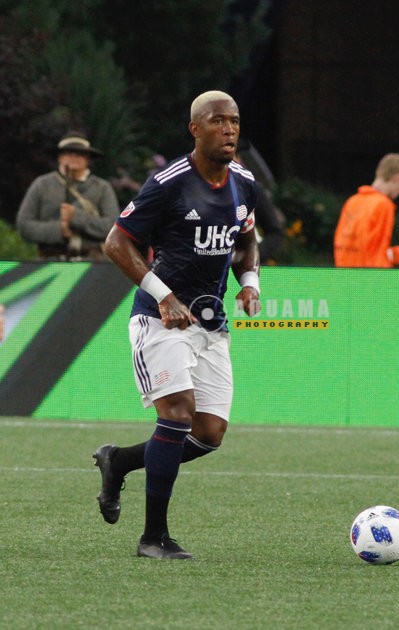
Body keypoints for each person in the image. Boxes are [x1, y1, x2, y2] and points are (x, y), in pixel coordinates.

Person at [93, 90, 261, 560]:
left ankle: (118, 462)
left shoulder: (244, 183)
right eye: (218, 121)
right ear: (195, 129)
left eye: (234, 121)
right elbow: (115, 243)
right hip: (159, 319)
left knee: (209, 433)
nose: (229, 129)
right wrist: (163, 295)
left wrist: (249, 283)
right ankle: (153, 538)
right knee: (177, 414)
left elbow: (247, 240)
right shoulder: (168, 184)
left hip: (210, 322)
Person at [16, 131, 120, 261]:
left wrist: (76, 216)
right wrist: (59, 229)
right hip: (49, 262)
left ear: (87, 158)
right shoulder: (42, 184)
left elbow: (113, 228)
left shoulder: (102, 188)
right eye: (69, 153)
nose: (74, 157)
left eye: (80, 154)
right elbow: (24, 225)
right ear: (59, 157)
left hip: (93, 263)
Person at [334, 153, 399, 268]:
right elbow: (374, 255)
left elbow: (365, 247)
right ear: (396, 178)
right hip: (370, 276)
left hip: (345, 273)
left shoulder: (353, 201)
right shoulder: (383, 205)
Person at [236, 139, 286, 265]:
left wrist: (253, 255)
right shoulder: (198, 189)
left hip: (245, 269)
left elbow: (275, 232)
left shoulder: (253, 190)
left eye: (236, 156)